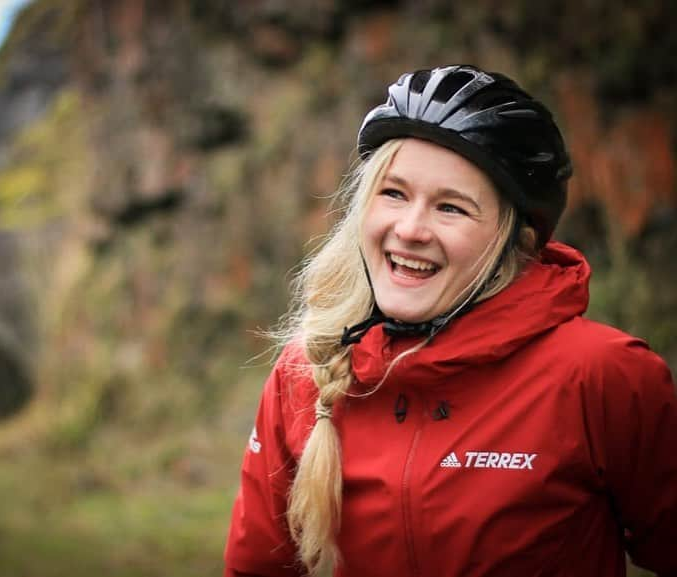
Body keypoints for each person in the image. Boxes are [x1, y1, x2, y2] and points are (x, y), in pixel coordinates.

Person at [223, 65, 677, 577]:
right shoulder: (307, 370)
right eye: (393, 193)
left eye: (451, 208)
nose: (410, 229)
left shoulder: (601, 376)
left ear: (517, 241)